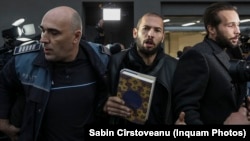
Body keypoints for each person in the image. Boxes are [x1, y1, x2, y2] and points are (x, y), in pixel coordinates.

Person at [0, 6, 110, 141]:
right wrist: (2, 121)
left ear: (76, 36)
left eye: (54, 33)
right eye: (43, 31)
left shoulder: (100, 58)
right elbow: (3, 83)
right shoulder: (24, 61)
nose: (43, 39)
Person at [172, 2, 250, 124]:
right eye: (230, 26)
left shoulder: (234, 53)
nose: (237, 31)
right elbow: (187, 111)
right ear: (211, 29)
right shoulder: (197, 56)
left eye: (238, 25)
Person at [103, 12, 179, 125]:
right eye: (146, 28)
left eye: (157, 30)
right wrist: (104, 104)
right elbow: (100, 97)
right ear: (135, 33)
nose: (150, 34)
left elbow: (179, 105)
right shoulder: (116, 62)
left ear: (163, 37)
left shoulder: (174, 67)